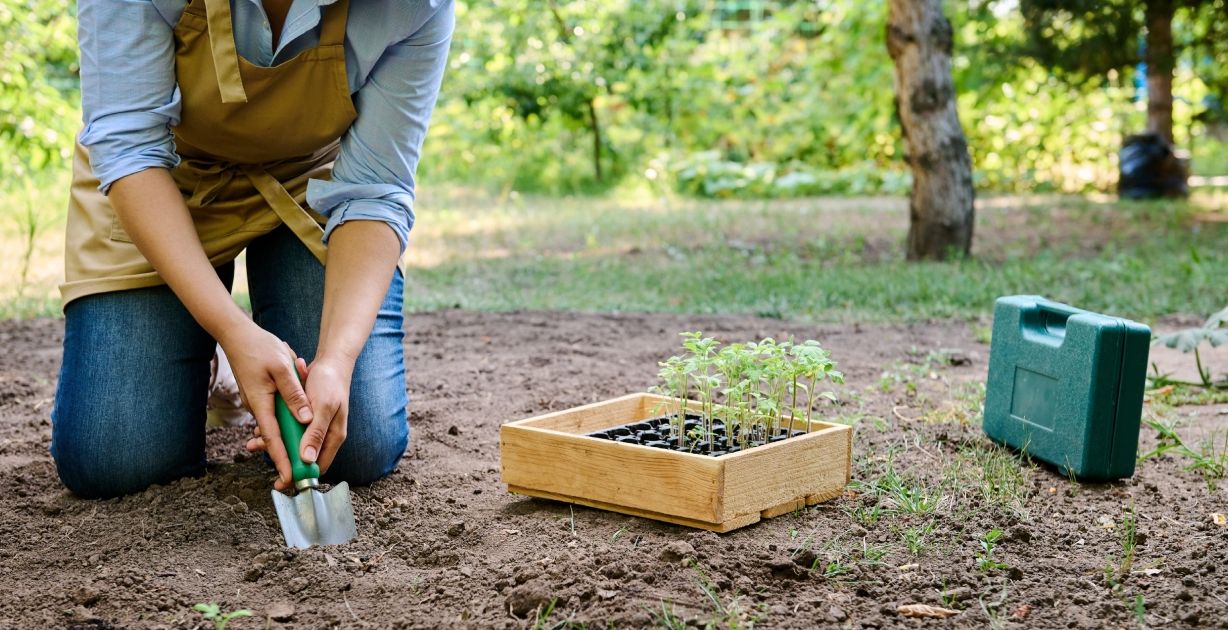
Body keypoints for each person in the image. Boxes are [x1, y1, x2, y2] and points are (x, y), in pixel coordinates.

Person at [50, 0, 454, 498]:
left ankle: (259, 347)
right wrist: (232, 329)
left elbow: (376, 189)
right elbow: (128, 145)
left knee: (354, 446)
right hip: (160, 178)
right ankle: (217, 355)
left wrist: (336, 359)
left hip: (312, 182)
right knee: (116, 458)